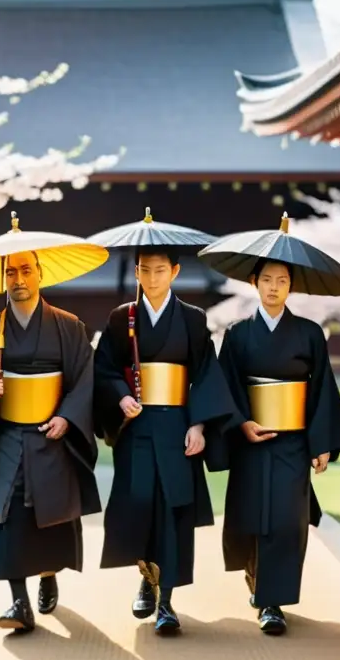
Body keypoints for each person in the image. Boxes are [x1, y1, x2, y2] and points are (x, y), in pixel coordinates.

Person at [94, 249, 236, 635]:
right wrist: (121, 395)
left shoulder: (191, 319)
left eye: (160, 270)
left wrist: (200, 424)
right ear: (136, 271)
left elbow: (205, 372)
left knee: (174, 510)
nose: (152, 278)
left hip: (177, 425)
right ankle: (146, 577)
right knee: (139, 503)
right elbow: (104, 366)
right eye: (144, 270)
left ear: (174, 271)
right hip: (136, 425)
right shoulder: (121, 318)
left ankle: (168, 602)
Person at [0, 250, 101, 633]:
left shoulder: (68, 326)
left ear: (40, 273)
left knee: (52, 513)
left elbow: (85, 378)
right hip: (7, 433)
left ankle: (48, 573)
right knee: (8, 513)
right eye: (10, 272)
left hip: (52, 433)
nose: (18, 279)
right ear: (3, 278)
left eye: (25, 270)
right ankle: (18, 601)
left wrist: (68, 417)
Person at [217, 258, 340, 636]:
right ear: (253, 282)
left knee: (286, 520)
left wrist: (320, 442)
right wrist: (241, 422)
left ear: (291, 285)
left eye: (282, 280)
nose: (274, 287)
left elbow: (322, 388)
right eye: (266, 279)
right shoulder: (238, 333)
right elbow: (225, 385)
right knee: (252, 515)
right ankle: (256, 578)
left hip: (293, 440)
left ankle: (272, 602)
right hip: (251, 439)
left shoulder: (310, 333)